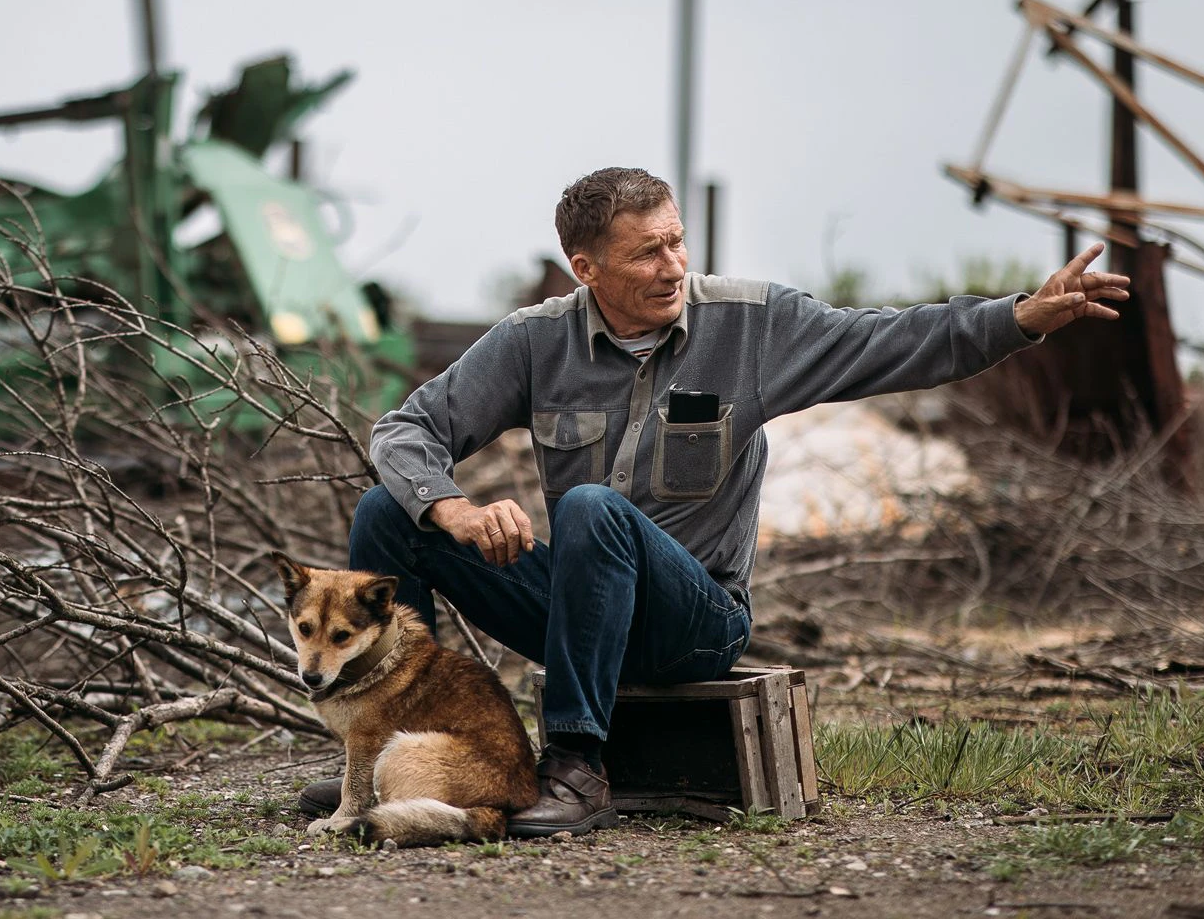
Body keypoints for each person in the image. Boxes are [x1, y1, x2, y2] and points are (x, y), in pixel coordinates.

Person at [298, 166, 1131, 837]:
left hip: (692, 623)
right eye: (645, 255)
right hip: (581, 613)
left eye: (675, 243)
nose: (671, 267)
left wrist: (1018, 317)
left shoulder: (752, 326)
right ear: (586, 270)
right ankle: (406, 752)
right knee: (388, 513)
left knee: (588, 506)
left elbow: (891, 342)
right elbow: (406, 430)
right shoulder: (534, 341)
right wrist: (451, 507)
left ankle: (576, 769)